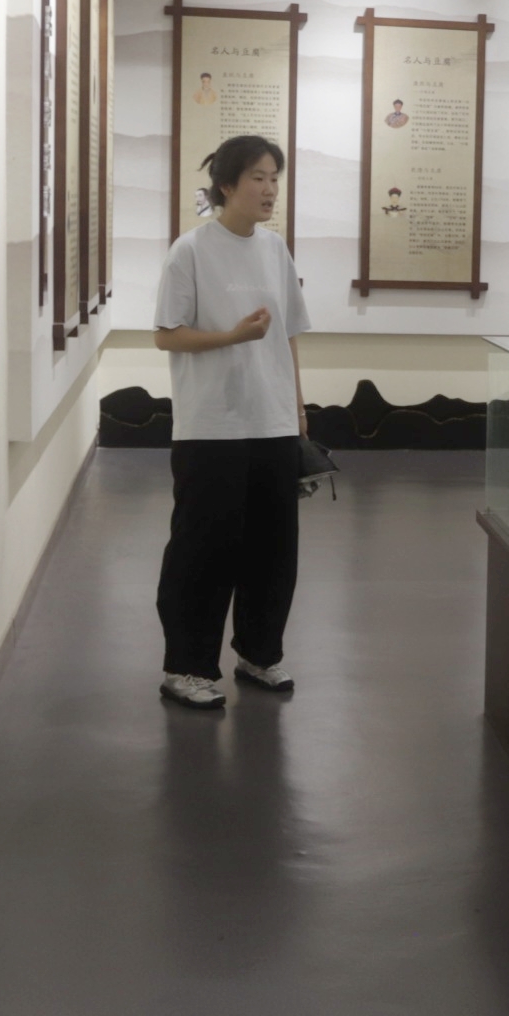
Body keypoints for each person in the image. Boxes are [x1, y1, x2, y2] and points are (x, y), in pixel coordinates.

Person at [150, 135, 313, 710]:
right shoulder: (190, 250)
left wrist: (298, 410)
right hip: (210, 426)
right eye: (258, 179)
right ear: (226, 185)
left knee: (274, 551)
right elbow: (167, 335)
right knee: (203, 551)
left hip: (272, 422)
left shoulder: (275, 249)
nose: (270, 190)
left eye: (275, 178)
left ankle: (259, 654)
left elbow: (289, 334)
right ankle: (186, 668)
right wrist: (232, 337)